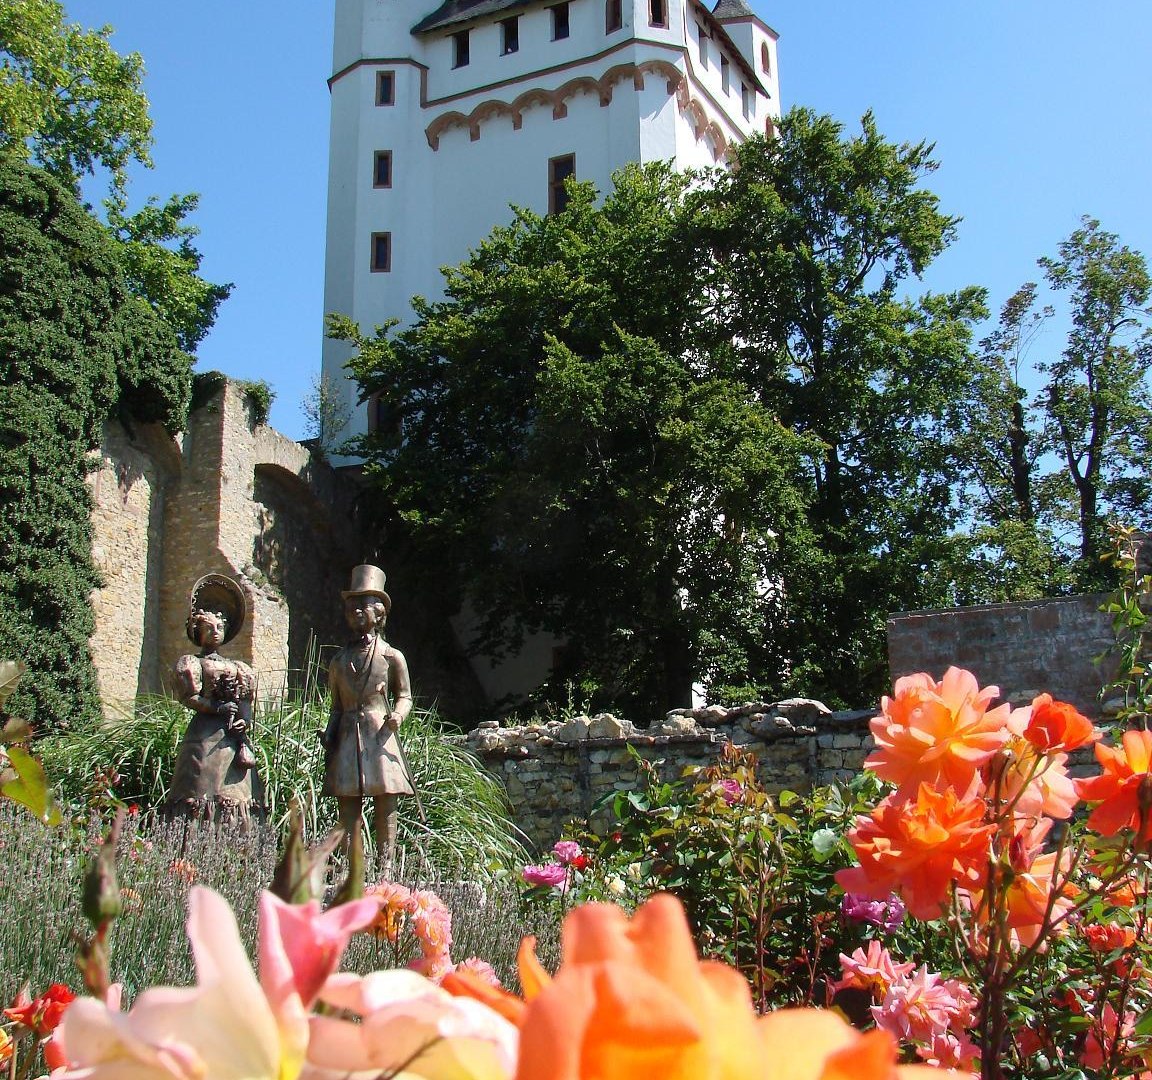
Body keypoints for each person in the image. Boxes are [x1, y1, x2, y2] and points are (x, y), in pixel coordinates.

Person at [322, 564, 415, 870]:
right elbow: (336, 706)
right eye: (352, 608)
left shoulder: (392, 657)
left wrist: (398, 716)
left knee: (386, 801)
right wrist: (329, 733)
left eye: (364, 606)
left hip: (380, 735)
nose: (357, 612)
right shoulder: (338, 661)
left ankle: (386, 867)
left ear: (379, 613)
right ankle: (353, 868)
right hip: (349, 735)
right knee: (348, 804)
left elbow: (405, 696)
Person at [167, 574, 264, 825]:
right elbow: (190, 696)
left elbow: (246, 701)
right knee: (200, 791)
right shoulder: (192, 663)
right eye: (209, 628)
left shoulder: (239, 667)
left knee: (235, 795)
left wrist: (244, 720)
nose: (215, 632)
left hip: (232, 739)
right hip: (204, 736)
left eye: (220, 627)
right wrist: (217, 707)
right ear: (198, 632)